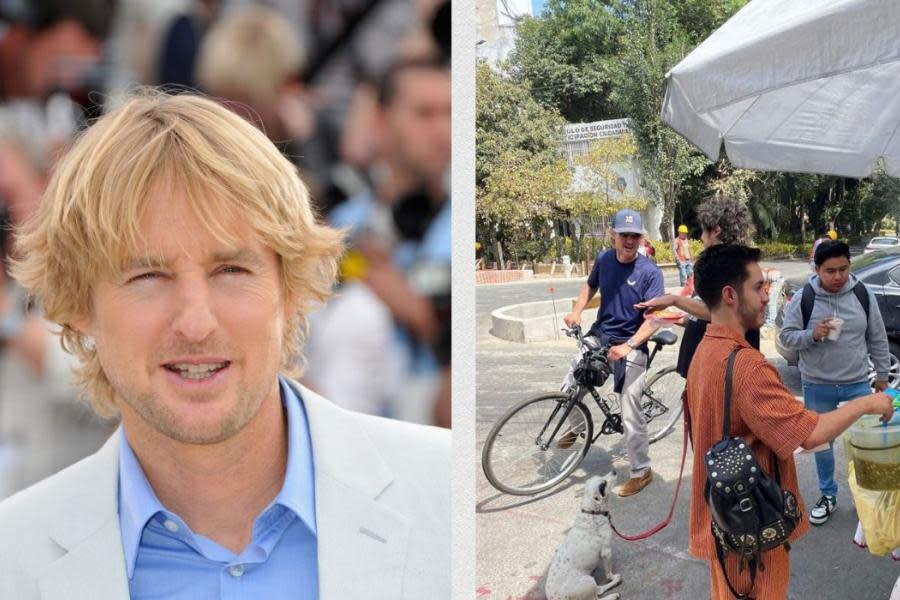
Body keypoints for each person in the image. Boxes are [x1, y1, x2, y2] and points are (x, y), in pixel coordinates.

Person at [0, 92, 450, 599]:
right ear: (79, 301)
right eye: (148, 275)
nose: (196, 322)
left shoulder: (444, 490)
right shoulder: (12, 558)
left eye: (231, 270)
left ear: (291, 285)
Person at [687, 243, 893, 599]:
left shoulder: (704, 351)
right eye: (757, 287)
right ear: (729, 295)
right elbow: (810, 436)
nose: (767, 296)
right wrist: (867, 403)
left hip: (721, 521)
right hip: (753, 529)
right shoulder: (748, 366)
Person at [778, 240, 891, 526]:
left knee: (863, 443)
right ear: (817, 270)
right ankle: (828, 495)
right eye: (830, 271)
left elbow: (877, 337)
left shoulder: (862, 293)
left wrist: (880, 377)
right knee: (821, 444)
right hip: (818, 383)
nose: (838, 276)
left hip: (857, 384)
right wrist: (812, 335)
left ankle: (864, 497)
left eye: (843, 269)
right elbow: (787, 336)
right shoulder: (806, 297)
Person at [563, 208, 664, 497]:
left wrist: (629, 345)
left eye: (634, 235)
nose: (629, 240)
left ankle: (642, 471)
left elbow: (655, 318)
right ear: (613, 235)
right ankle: (575, 426)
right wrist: (576, 310)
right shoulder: (605, 259)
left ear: (641, 238)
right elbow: (590, 285)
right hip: (601, 335)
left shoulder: (649, 273)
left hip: (631, 342)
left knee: (630, 408)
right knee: (572, 378)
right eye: (624, 235)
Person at [636, 195, 759, 378]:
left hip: (718, 373)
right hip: (700, 369)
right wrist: (673, 318)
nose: (701, 237)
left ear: (716, 231)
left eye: (703, 231)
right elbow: (704, 311)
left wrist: (674, 300)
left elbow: (719, 312)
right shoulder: (714, 263)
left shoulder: (734, 266)